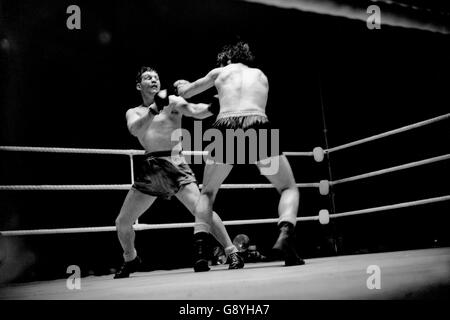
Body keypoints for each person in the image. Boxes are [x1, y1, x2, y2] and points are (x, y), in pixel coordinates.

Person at [175, 41, 305, 266]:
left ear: (226, 59)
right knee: (287, 187)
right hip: (256, 121)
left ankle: (200, 251)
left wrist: (181, 85)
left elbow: (186, 92)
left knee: (207, 193)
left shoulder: (221, 71)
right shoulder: (261, 75)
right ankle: (286, 232)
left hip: (225, 124)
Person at [114, 66, 244, 278]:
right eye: (148, 78)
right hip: (151, 167)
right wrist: (155, 108)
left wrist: (214, 105)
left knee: (202, 211)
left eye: (156, 77)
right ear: (139, 85)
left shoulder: (173, 102)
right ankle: (130, 258)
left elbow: (196, 111)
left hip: (175, 163)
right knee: (122, 222)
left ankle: (232, 252)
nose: (154, 80)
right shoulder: (134, 112)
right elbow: (135, 129)